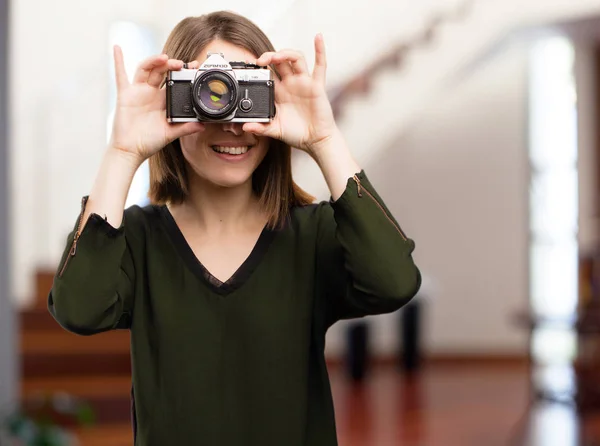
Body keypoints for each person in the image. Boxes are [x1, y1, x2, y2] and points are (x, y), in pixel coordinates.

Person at [49, 10, 421, 446]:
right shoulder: (137, 241)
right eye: (205, 93)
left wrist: (324, 138)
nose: (229, 119)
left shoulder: (313, 235)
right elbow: (78, 309)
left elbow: (394, 283)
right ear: (174, 100)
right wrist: (122, 151)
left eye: (247, 90)